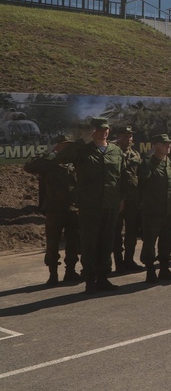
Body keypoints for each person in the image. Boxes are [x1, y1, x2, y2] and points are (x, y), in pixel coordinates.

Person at [55, 117, 125, 293]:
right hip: (90, 205)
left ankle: (103, 278)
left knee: (106, 242)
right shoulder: (82, 150)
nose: (103, 133)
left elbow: (122, 177)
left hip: (111, 204)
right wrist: (81, 140)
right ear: (92, 131)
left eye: (106, 129)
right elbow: (61, 158)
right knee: (89, 243)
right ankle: (90, 279)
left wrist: (122, 199)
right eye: (99, 130)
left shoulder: (116, 151)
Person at [24, 135, 81, 285]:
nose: (67, 147)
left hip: (72, 209)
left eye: (69, 144)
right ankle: (53, 274)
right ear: (57, 146)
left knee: (73, 242)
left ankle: (70, 271)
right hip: (54, 209)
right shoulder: (49, 162)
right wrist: (46, 152)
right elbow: (28, 166)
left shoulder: (73, 162)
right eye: (64, 144)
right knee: (53, 243)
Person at [137, 134, 171, 283]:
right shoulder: (147, 163)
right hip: (152, 211)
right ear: (155, 145)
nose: (168, 146)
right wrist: (148, 159)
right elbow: (142, 178)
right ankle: (150, 271)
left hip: (170, 210)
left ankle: (164, 269)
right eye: (164, 143)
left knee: (167, 240)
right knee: (149, 242)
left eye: (169, 143)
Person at [112, 125, 143, 274]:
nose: (128, 139)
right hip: (116, 199)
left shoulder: (136, 154)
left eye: (130, 136)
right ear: (117, 137)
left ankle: (129, 260)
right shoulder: (112, 153)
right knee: (116, 232)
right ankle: (119, 263)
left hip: (133, 199)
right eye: (124, 136)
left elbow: (140, 175)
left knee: (132, 231)